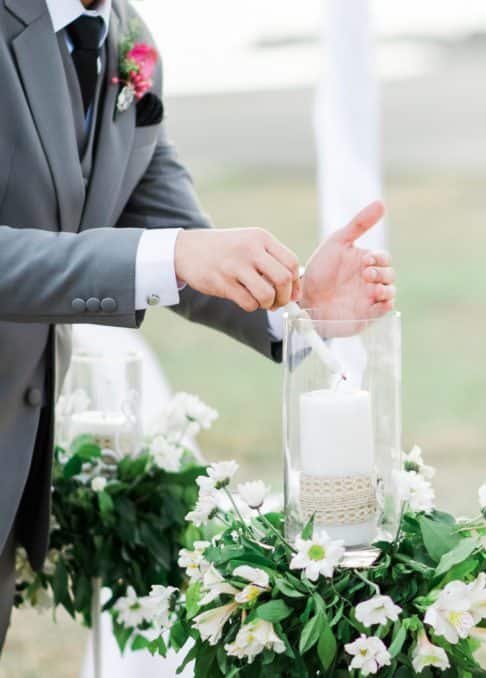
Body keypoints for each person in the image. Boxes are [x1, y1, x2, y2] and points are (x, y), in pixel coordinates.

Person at [0, 0, 396, 651]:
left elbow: (169, 229)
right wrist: (179, 253)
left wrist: (297, 304)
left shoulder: (129, 42)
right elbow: (171, 252)